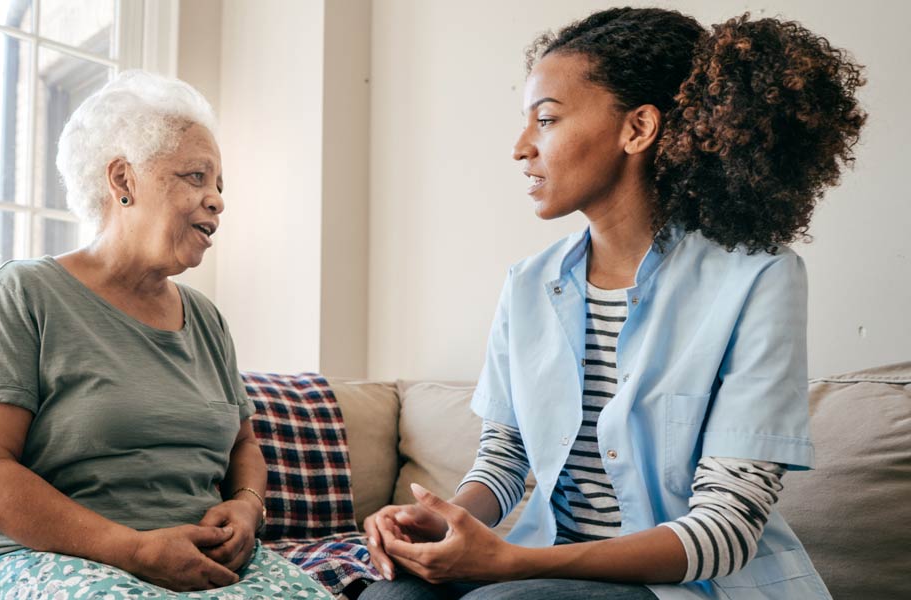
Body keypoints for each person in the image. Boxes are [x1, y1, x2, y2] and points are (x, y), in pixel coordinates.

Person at [361, 8, 865, 600]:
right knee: (390, 595)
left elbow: (727, 530)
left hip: (689, 585)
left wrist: (512, 564)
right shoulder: (527, 285)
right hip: (542, 570)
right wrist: (449, 519)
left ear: (638, 129)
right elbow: (505, 459)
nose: (521, 148)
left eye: (545, 119)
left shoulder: (759, 277)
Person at [0, 70, 332, 599]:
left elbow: (244, 444)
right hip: (44, 559)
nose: (217, 199)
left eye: (219, 185)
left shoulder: (207, 319)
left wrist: (245, 506)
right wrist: (136, 549)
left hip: (200, 562)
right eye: (196, 176)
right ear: (123, 180)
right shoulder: (26, 293)